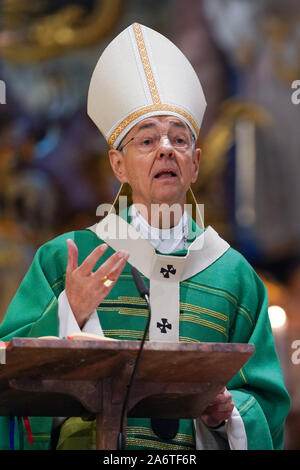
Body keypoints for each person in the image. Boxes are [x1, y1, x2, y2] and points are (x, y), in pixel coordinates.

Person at [0, 23, 290, 450]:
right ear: (118, 165)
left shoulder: (234, 276)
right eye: (147, 139)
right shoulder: (67, 258)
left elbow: (268, 406)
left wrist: (226, 414)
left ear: (195, 162)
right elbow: (9, 372)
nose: (166, 149)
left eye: (178, 138)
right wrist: (68, 314)